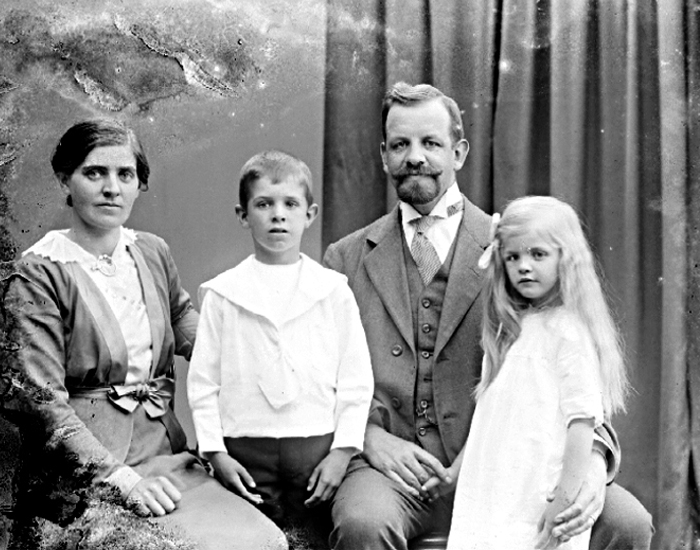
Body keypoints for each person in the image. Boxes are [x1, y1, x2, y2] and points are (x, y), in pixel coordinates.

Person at [322, 82, 653, 550]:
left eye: (431, 143)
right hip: (389, 475)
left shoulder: (516, 249)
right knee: (363, 523)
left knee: (628, 522)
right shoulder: (345, 259)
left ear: (458, 152)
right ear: (383, 155)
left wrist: (595, 465)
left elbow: (578, 382)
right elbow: (318, 383)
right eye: (400, 145)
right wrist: (369, 437)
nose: (415, 157)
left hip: (510, 466)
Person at [6, 119, 287, 550]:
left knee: (265, 541)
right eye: (94, 173)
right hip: (86, 473)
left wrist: (246, 359)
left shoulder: (151, 251)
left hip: (165, 454)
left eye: (125, 174)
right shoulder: (38, 272)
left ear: (140, 183)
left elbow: (182, 317)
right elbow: (41, 403)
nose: (112, 188)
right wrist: (123, 481)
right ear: (65, 179)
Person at [187, 150, 373, 529]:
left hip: (317, 450)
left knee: (314, 536)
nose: (278, 215)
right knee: (253, 536)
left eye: (290, 204)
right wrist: (215, 453)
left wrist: (342, 453)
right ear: (243, 215)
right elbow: (203, 383)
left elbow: (356, 380)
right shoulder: (223, 294)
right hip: (244, 451)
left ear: (310, 214)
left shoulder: (332, 291)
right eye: (263, 204)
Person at [440, 196, 630, 549]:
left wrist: (563, 500)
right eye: (513, 257)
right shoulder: (507, 330)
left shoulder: (568, 332)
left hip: (537, 491)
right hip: (493, 489)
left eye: (538, 254)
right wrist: (455, 472)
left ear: (565, 258)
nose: (524, 266)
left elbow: (582, 424)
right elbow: (487, 420)